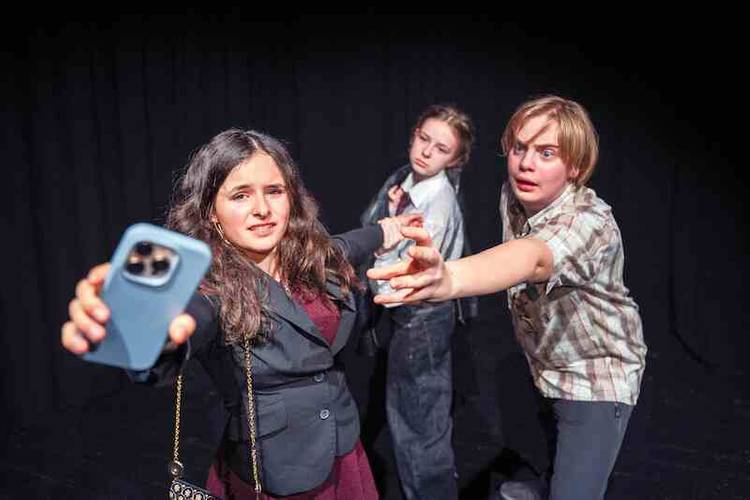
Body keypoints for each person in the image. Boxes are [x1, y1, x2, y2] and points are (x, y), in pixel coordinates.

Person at [61, 128, 419, 499]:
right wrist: (141, 334)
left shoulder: (313, 256)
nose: (262, 209)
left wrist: (387, 230)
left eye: (274, 191)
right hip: (278, 470)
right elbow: (186, 323)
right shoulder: (210, 290)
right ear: (211, 212)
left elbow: (350, 244)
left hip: (344, 447)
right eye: (240, 195)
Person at [368, 96, 647, 500]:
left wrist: (450, 277)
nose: (525, 164)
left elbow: (531, 257)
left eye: (546, 153)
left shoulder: (590, 222)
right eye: (519, 148)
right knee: (536, 464)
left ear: (574, 166)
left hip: (594, 381)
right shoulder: (513, 195)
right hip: (542, 363)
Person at [360, 104, 474, 499]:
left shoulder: (436, 202)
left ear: (455, 160)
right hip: (407, 315)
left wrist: (379, 254)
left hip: (422, 317)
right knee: (407, 414)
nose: (426, 151)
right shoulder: (404, 180)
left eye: (441, 148)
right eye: (424, 139)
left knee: (419, 425)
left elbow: (405, 272)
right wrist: (391, 214)